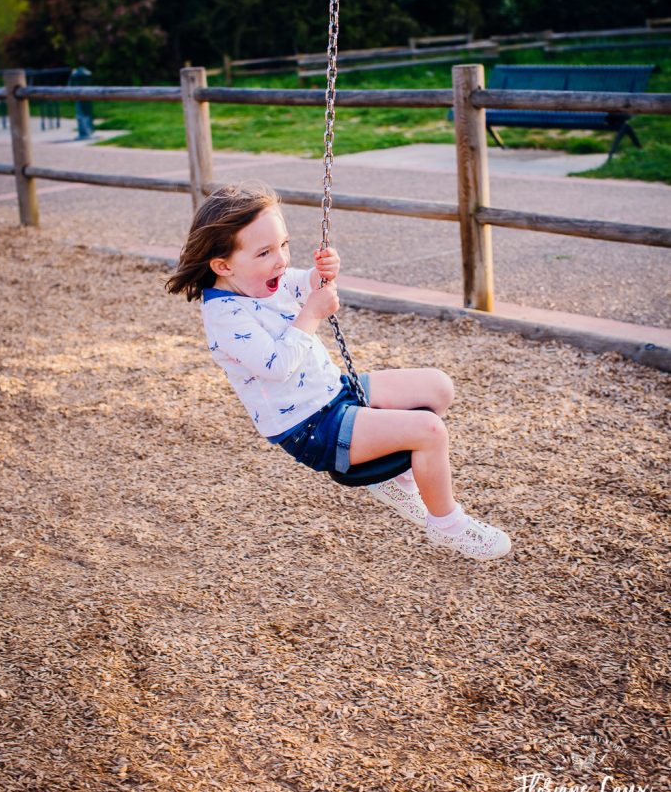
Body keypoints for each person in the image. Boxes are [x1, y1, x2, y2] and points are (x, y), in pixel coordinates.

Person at [166, 180, 511, 561]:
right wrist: (312, 312)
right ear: (223, 265)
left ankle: (393, 477)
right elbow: (277, 365)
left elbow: (300, 282)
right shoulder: (224, 315)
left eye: (283, 244)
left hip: (334, 391)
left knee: (438, 388)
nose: (281, 259)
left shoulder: (261, 281)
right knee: (430, 432)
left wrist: (321, 274)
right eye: (265, 252)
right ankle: (447, 525)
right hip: (311, 427)